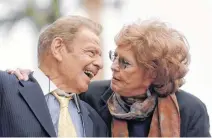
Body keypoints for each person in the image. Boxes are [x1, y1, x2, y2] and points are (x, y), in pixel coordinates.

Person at [10, 20, 211, 137]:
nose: (113, 67)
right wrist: (30, 78)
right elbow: (49, 94)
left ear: (153, 72)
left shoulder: (190, 110)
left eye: (125, 63)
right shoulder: (91, 95)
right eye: (115, 56)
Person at [0, 15, 108, 137]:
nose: (100, 64)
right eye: (91, 52)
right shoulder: (5, 88)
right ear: (58, 48)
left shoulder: (97, 123)